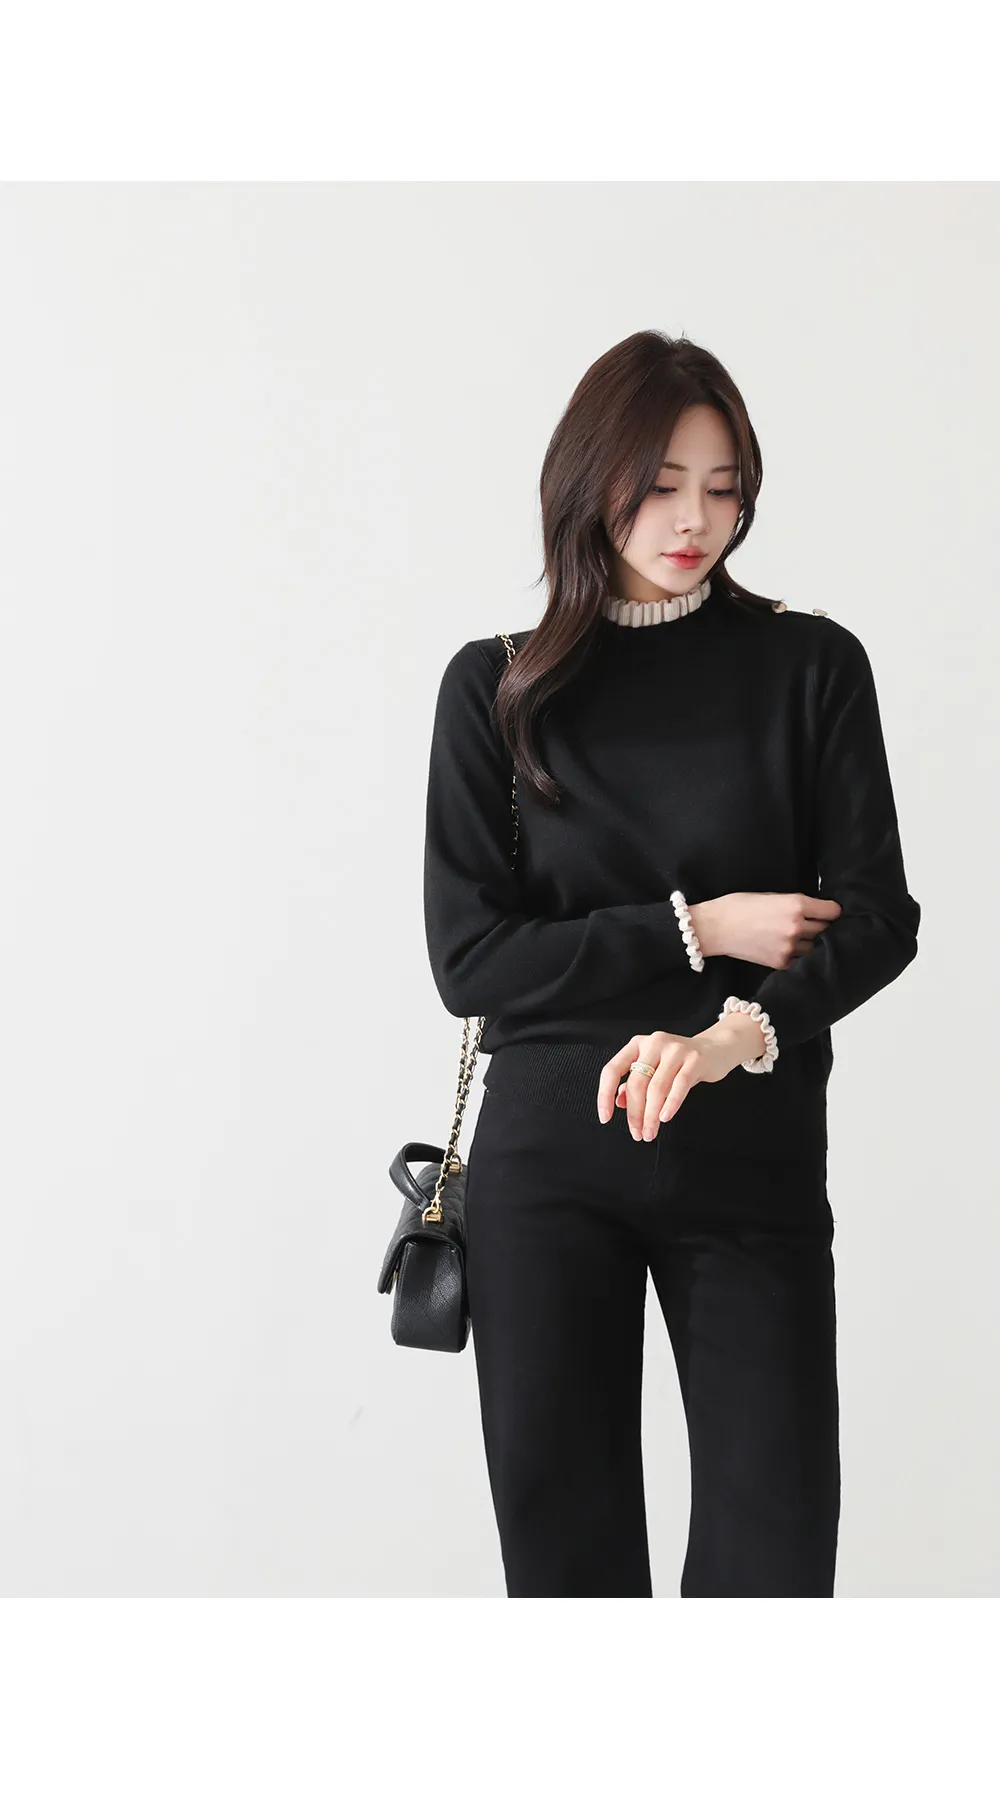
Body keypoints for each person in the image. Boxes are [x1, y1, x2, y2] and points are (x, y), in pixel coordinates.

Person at [422, 329, 920, 1597]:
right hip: (547, 1166)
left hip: (747, 1149)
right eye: (658, 484)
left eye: (723, 486)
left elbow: (877, 917)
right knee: (567, 1570)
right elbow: (471, 960)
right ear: (588, 479)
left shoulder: (810, 666)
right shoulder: (497, 690)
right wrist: (699, 927)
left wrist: (729, 1036)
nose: (694, 519)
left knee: (773, 1555)